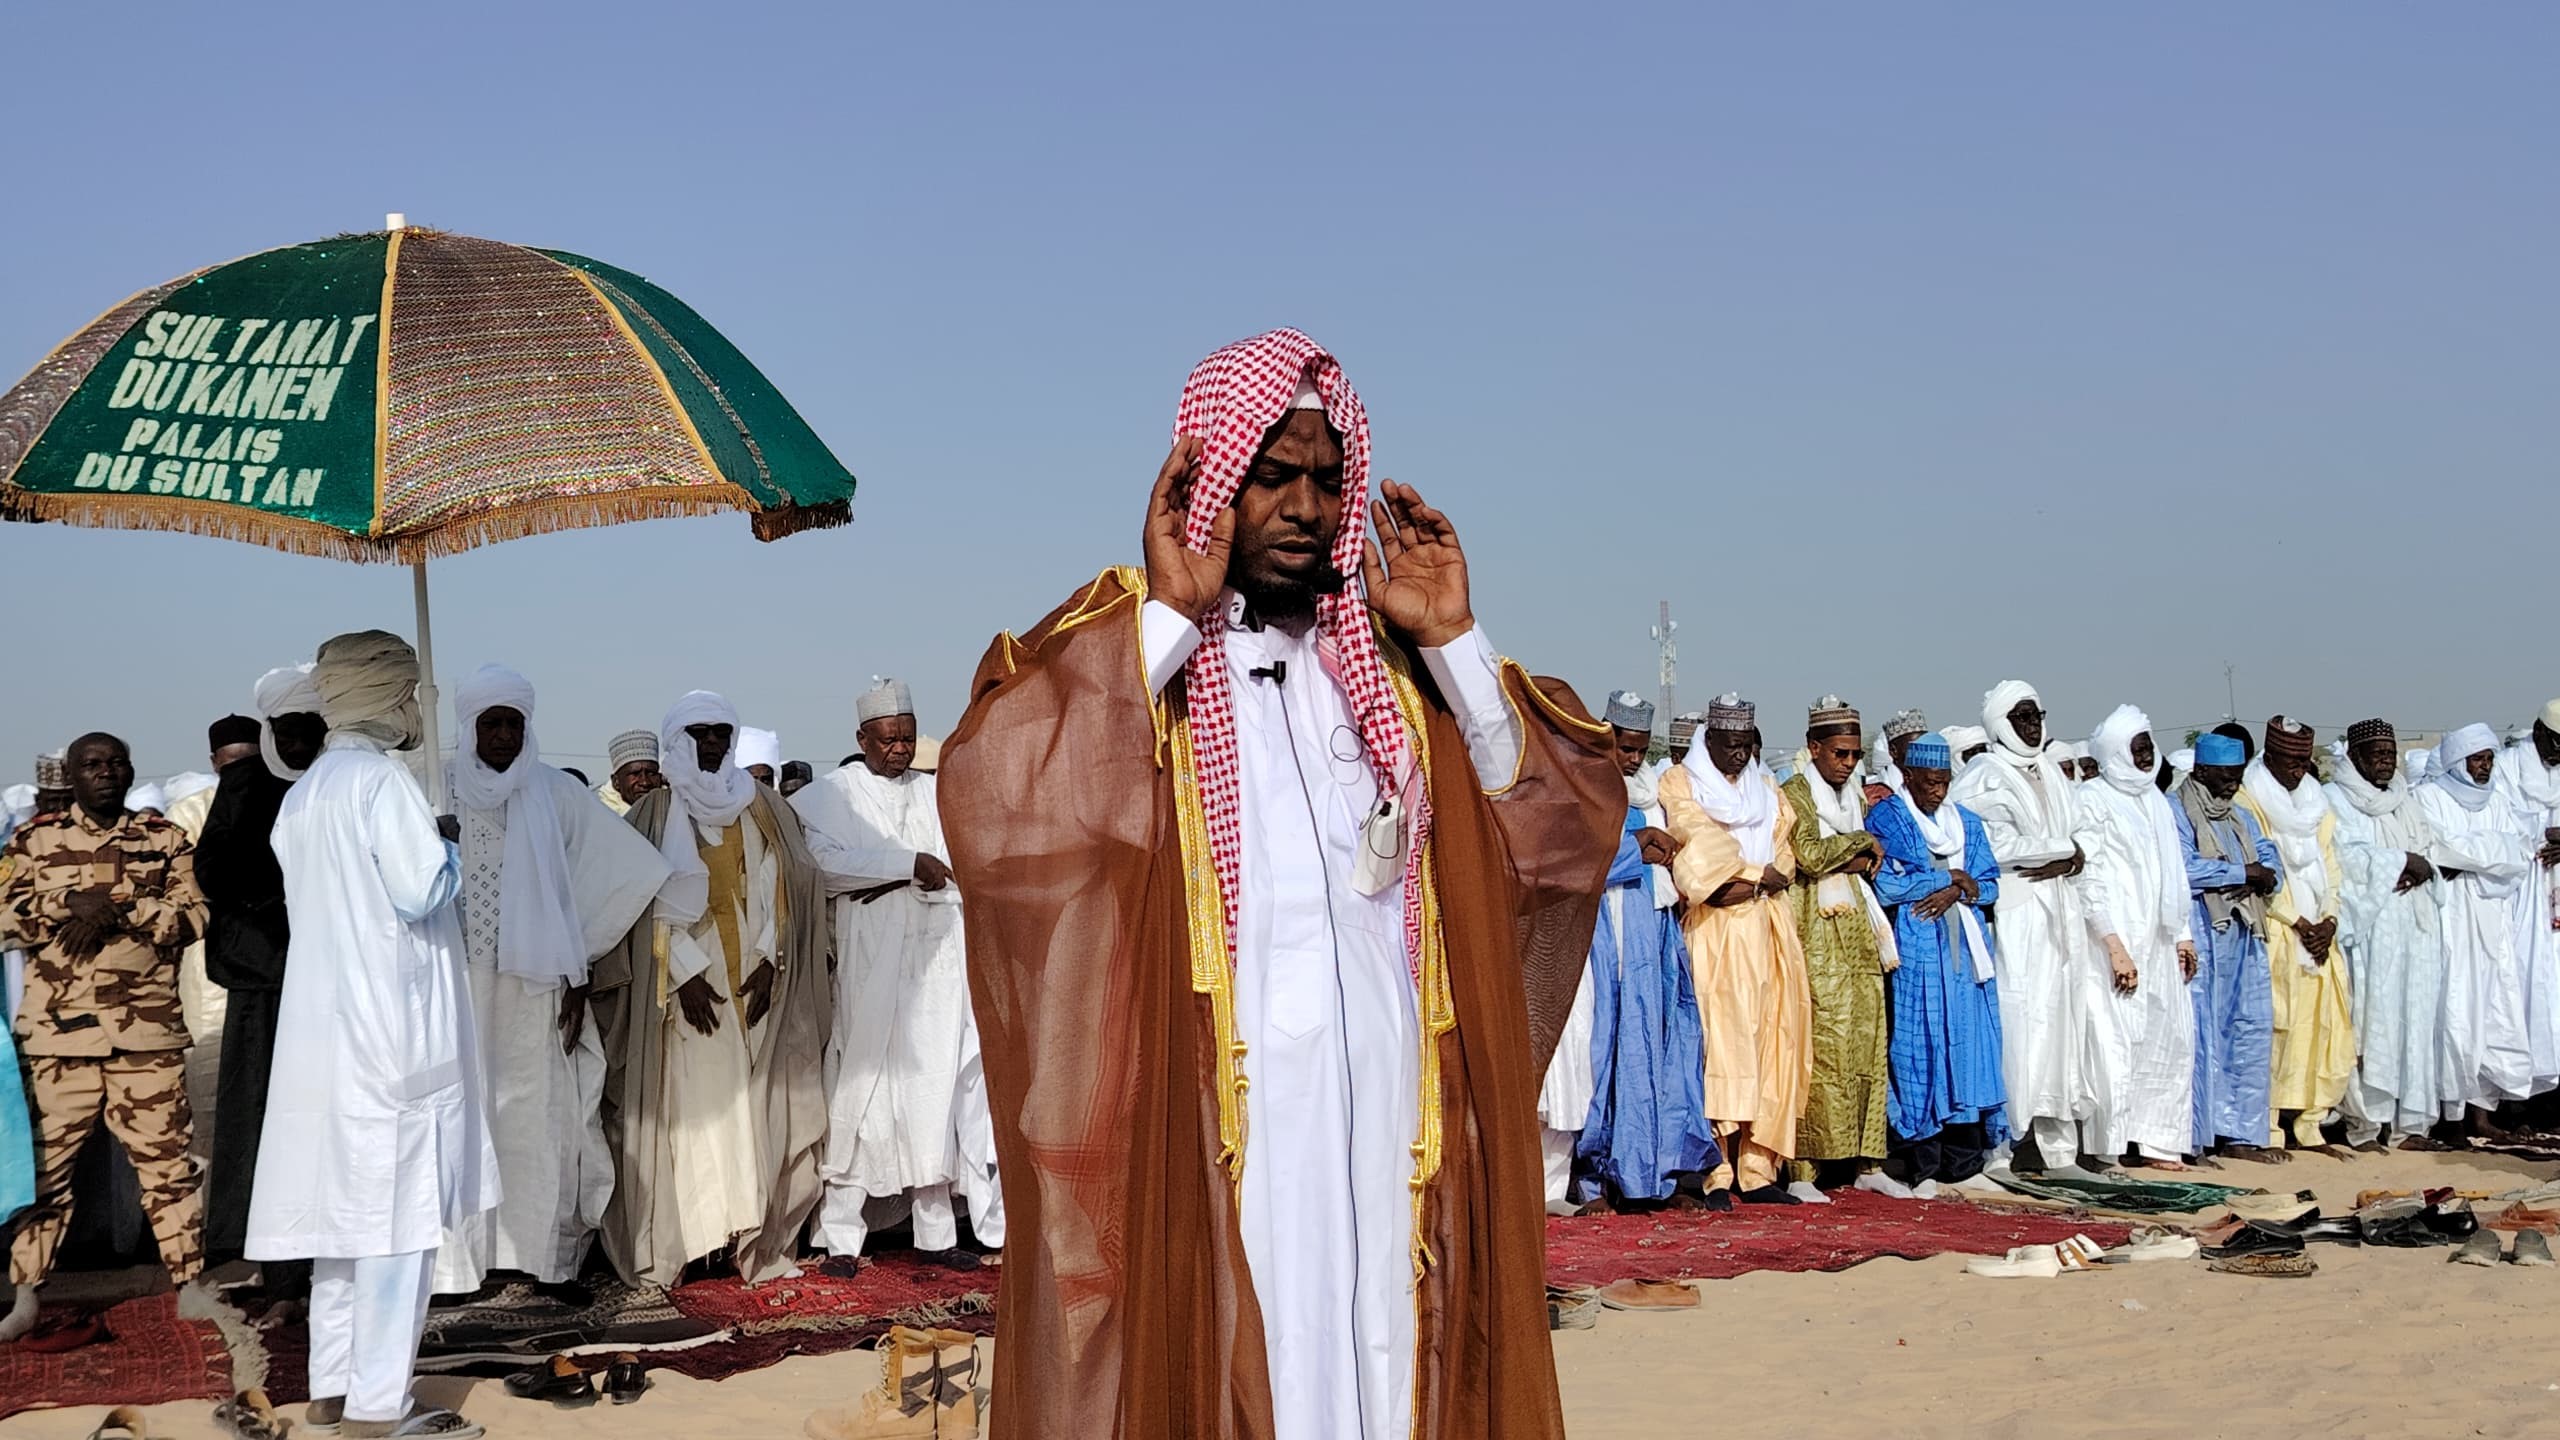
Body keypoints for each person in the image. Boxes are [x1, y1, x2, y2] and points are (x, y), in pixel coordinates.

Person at [935, 329, 1619, 1440]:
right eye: (1270, 475)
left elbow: (1554, 834)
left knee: (1393, 1353)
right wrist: (1166, 616)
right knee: (1252, 1358)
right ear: (1209, 480)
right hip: (1230, 1116)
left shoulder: (1403, 675)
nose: (1302, 506)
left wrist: (1452, 640)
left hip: (1395, 1112)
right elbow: (998, 795)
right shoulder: (1137, 655)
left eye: (1325, 481)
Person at [249, 632, 495, 1439]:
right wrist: (446, 840)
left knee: (342, 1228)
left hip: (327, 1034)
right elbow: (421, 888)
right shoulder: (381, 783)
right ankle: (378, 1407)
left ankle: (332, 1386)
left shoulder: (306, 790)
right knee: (397, 1225)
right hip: (391, 1032)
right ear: (387, 699)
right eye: (411, 694)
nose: (417, 708)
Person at [432, 666, 670, 1299]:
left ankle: (544, 1260)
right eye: (493, 723)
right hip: (457, 988)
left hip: (540, 990)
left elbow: (621, 868)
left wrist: (577, 964)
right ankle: (459, 1265)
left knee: (544, 1122)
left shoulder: (554, 794)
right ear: (469, 726)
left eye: (515, 723)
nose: (505, 736)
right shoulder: (436, 787)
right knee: (464, 1115)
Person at [594, 691, 829, 1288]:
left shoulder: (762, 807)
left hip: (752, 981)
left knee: (753, 1114)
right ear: (678, 740)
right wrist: (686, 975)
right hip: (678, 993)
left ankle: (750, 1238)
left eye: (722, 732)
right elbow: (642, 905)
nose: (714, 744)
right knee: (692, 1116)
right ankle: (694, 1241)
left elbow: (784, 885)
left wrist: (773, 963)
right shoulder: (652, 814)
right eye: (700, 734)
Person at [0, 732, 209, 1342]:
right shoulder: (31, 841)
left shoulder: (164, 838)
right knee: (47, 1174)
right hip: (58, 1039)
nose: (106, 773)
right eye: (92, 765)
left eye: (116, 764)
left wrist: (122, 906)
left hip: (146, 1036)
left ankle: (190, 1284)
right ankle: (26, 1296)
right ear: (72, 774)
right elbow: (4, 918)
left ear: (130, 770)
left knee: (168, 1167)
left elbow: (194, 916)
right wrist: (68, 903)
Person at [791, 678, 1002, 1270]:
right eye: (888, 741)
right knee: (860, 1089)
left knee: (931, 1089)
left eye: (908, 739)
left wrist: (919, 872)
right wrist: (905, 865)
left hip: (935, 959)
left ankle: (936, 1237)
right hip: (868, 961)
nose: (901, 751)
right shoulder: (828, 797)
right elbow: (823, 869)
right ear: (862, 739)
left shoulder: (939, 793)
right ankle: (840, 1237)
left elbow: (966, 860)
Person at [1950, 681, 2108, 1174]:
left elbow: (2086, 835)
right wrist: (2062, 851)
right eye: (2021, 716)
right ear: (2001, 723)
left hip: (2060, 916)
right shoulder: (1983, 775)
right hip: (2017, 918)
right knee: (2021, 1030)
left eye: (2037, 713)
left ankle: (2059, 1150)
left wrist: (2070, 855)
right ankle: (2004, 1149)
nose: (2033, 724)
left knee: (2063, 1029)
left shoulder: (2050, 771)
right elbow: (1990, 846)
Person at [196, 685, 327, 1276]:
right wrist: (280, 899)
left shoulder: (335, 784)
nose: (297, 745)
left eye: (307, 733)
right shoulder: (245, 787)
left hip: (327, 976)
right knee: (255, 1106)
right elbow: (216, 870)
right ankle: (248, 1239)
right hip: (264, 977)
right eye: (287, 734)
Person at [1567, 693, 1715, 1213]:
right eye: (1624, 748)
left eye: (1639, 749)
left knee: (1666, 1047)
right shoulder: (1584, 788)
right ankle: (1595, 1180)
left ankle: (1660, 1175)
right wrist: (1637, 847)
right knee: (1608, 1051)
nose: (1631, 759)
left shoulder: (1652, 790)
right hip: (1607, 932)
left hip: (1654, 932)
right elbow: (1573, 862)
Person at [1662, 694, 1809, 1205]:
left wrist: (1758, 881)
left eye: (1745, 746)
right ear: (1709, 741)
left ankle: (1758, 1169)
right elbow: (1699, 853)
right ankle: (1715, 1170)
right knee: (1717, 1041)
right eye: (1728, 745)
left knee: (1772, 1038)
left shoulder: (1767, 789)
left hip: (1769, 929)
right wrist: (1753, 877)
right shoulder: (1681, 782)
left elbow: (1785, 856)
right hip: (1715, 932)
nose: (1738, 756)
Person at [1867, 733, 2005, 1192]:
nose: (1938, 792)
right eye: (1929, 783)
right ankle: (1920, 1163)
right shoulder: (1890, 818)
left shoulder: (1965, 822)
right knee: (1919, 1051)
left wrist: (1960, 888)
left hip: (1965, 960)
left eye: (1944, 782)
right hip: (1919, 957)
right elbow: (1888, 885)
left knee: (1968, 1053)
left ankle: (1963, 1162)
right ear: (1908, 776)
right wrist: (1948, 880)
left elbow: (1990, 883)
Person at [1778, 697, 1898, 1200]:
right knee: (1818, 1046)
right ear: (1814, 749)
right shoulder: (1794, 794)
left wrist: (1854, 850)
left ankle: (1868, 1162)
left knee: (1870, 1042)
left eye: (1854, 754)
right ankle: (1804, 1171)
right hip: (1814, 933)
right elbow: (1806, 854)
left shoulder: (1856, 800)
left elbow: (1862, 859)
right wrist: (1859, 845)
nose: (1847, 763)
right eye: (1839, 754)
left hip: (1859, 937)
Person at [2076, 707, 2199, 1169]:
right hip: (2114, 940)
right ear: (2114, 754)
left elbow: (2174, 875)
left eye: (2149, 747)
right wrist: (2113, 944)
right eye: (2137, 749)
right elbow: (2090, 879)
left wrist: (2183, 935)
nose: (2146, 757)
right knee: (2115, 1044)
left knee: (2169, 1039)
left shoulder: (2156, 801)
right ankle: (2108, 1148)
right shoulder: (2092, 798)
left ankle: (2156, 1143)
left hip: (2161, 940)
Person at [2326, 720, 2453, 1149]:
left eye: (2390, 752)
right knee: (2370, 1022)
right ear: (2356, 756)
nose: (2385, 761)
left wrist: (2418, 865)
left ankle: (2410, 1126)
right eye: (2376, 753)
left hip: (2415, 931)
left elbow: (2430, 848)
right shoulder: (2336, 798)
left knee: (2414, 1023)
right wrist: (2400, 862)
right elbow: (2347, 857)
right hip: (2372, 931)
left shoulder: (2404, 799)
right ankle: (2365, 1126)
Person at [2240, 717, 2354, 1155]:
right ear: (2269, 757)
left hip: (2319, 935)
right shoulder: (2250, 800)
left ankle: (2310, 1123)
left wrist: (2328, 921)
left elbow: (2331, 866)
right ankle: (2268, 1127)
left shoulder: (2316, 802)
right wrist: (2298, 922)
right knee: (2276, 1030)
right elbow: (2261, 869)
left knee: (2324, 1029)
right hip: (2277, 929)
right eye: (2289, 761)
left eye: (2304, 761)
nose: (2297, 770)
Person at [2416, 724, 2534, 1132]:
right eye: (2476, 759)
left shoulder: (2498, 801)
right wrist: (2488, 851)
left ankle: (2483, 1113)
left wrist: (2469, 855)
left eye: (2488, 759)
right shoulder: (2427, 798)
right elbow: (2436, 849)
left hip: (2491, 918)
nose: (2484, 767)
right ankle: (2451, 1117)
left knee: (2493, 1011)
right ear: (2456, 761)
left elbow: (2517, 853)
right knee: (2453, 1009)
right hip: (2450, 919)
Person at [2178, 732, 2285, 1164]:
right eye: (2226, 774)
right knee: (2203, 1035)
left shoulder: (2241, 816)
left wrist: (2264, 872)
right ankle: (2199, 1135)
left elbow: (2268, 855)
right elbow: (2184, 866)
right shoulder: (2176, 812)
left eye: (2239, 774)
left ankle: (2240, 1133)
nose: (2233, 783)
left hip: (2244, 936)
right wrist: (2242, 871)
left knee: (2248, 1031)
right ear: (2202, 771)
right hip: (2203, 934)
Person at [2494, 701, 2560, 1101]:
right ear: (2538, 732)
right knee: (2520, 982)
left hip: (2554, 892)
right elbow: (2498, 822)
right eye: (2556, 742)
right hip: (2519, 893)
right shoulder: (2506, 767)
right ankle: (2515, 1097)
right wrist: (2545, 834)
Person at [1864, 707, 1927, 805]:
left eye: (1924, 748)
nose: (1921, 754)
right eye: (1914, 748)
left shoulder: (1932, 787)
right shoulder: (1874, 793)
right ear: (1893, 751)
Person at [600, 729, 663, 817]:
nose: (645, 782)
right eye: (635, 774)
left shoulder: (674, 815)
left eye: (651, 773)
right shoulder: (602, 817)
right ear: (616, 782)